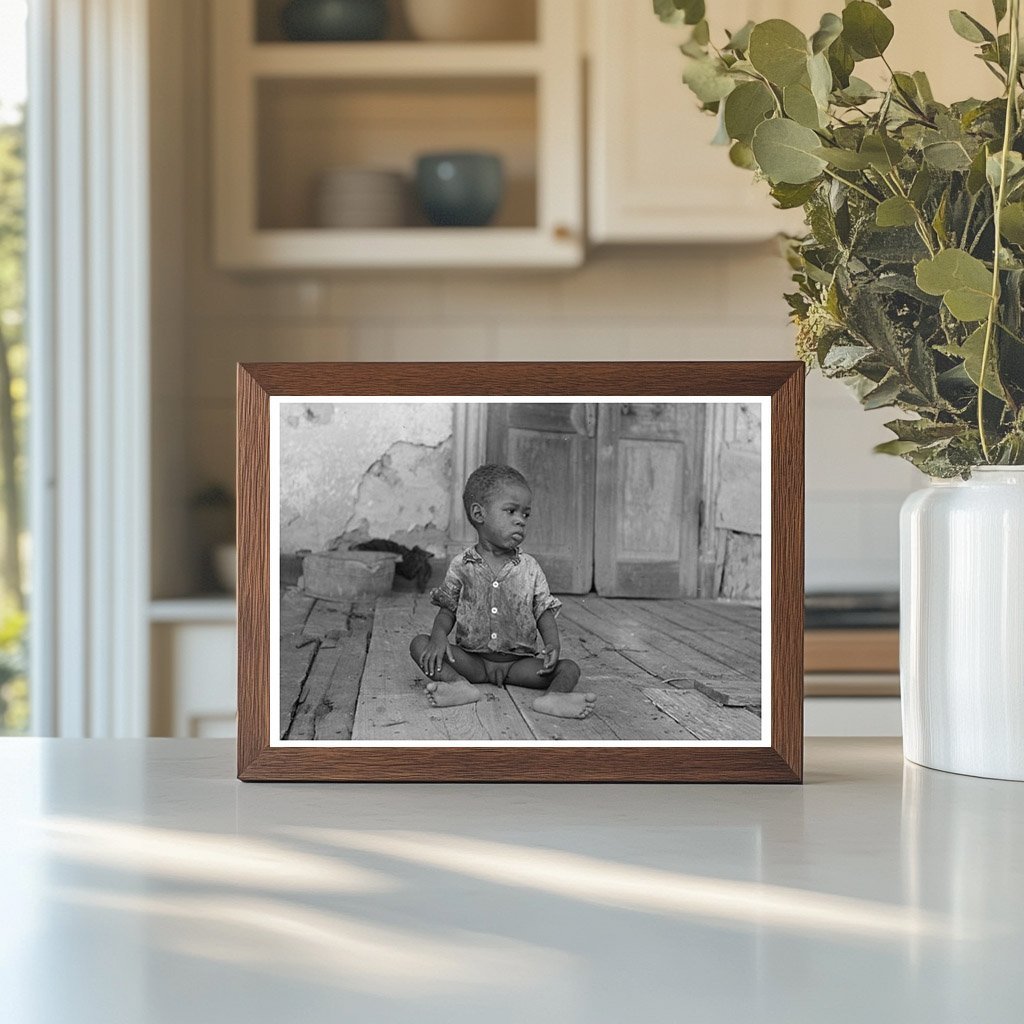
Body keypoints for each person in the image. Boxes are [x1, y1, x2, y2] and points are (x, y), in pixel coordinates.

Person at [409, 464, 596, 720]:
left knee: (569, 669)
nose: (521, 520)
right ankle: (457, 685)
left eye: (526, 515)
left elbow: (543, 611)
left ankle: (554, 698)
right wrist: (438, 636)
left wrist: (552, 644)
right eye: (511, 511)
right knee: (421, 644)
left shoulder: (530, 568)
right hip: (473, 663)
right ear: (479, 514)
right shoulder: (462, 565)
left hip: (519, 665)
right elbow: (447, 610)